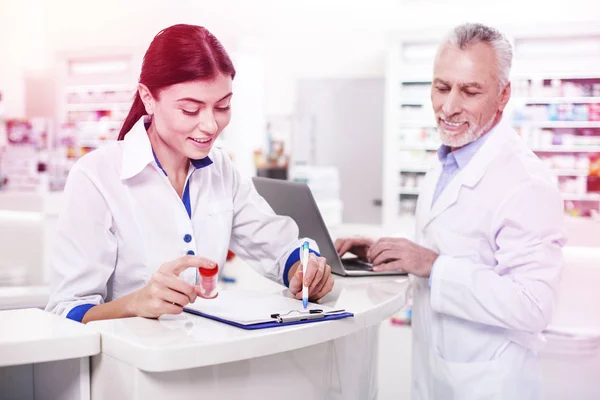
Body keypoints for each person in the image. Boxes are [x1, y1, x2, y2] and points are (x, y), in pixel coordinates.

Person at [336, 23, 566, 399]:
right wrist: (394, 253)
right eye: (441, 87)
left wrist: (431, 263)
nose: (448, 107)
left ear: (503, 94)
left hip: (491, 384)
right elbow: (454, 249)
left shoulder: (526, 182)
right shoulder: (447, 160)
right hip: (437, 371)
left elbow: (534, 305)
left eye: (470, 91)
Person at [46, 24, 334, 324]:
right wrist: (136, 303)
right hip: (127, 365)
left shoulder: (221, 170)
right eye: (190, 110)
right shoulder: (96, 177)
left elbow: (278, 247)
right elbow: (66, 310)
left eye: (222, 106)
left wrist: (304, 271)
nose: (210, 125)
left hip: (202, 355)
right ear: (148, 98)